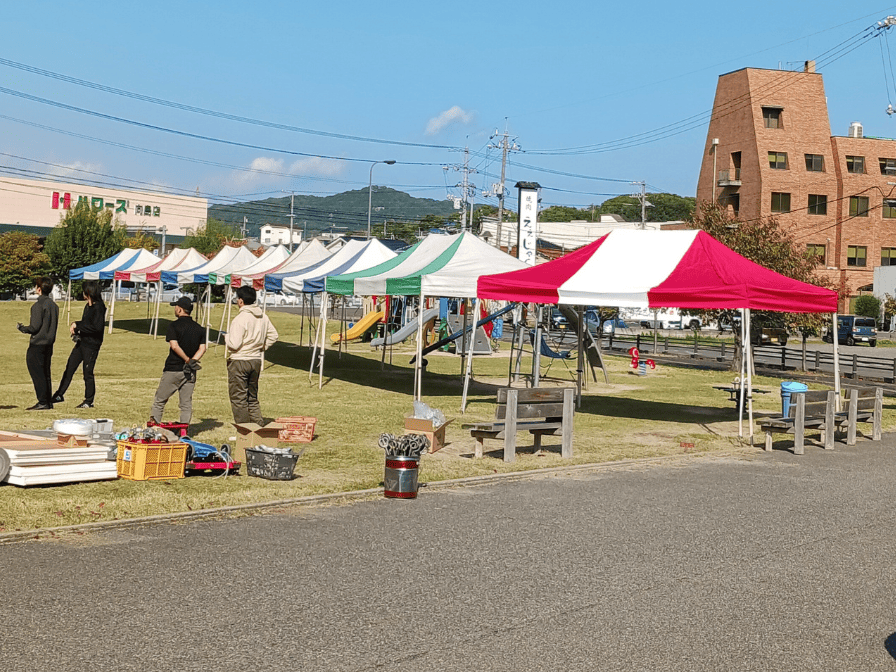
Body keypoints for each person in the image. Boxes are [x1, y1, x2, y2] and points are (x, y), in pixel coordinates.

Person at [149, 296, 206, 425]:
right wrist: (193, 361)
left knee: (160, 400)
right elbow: (203, 348)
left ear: (180, 309)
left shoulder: (174, 326)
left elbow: (174, 346)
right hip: (190, 371)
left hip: (173, 368)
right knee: (186, 403)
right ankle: (184, 430)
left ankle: (155, 428)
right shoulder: (199, 328)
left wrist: (186, 359)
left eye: (176, 307)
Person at [225, 286, 278, 424]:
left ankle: (245, 431)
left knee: (239, 398)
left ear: (241, 301)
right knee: (252, 397)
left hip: (240, 360)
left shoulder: (240, 319)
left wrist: (226, 337)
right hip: (255, 360)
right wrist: (261, 348)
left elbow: (234, 344)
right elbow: (273, 335)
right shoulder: (263, 317)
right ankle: (258, 426)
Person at [52, 280, 106, 408]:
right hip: (82, 343)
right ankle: (59, 394)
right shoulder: (88, 307)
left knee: (87, 372)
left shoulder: (99, 307)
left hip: (92, 345)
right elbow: (86, 324)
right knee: (69, 368)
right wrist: (77, 329)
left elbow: (96, 328)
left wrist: (78, 325)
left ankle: (88, 400)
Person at [17, 277, 59, 410]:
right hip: (49, 343)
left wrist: (23, 328)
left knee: (37, 372)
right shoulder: (54, 305)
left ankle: (42, 401)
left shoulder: (38, 305)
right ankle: (47, 400)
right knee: (46, 372)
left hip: (38, 344)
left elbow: (34, 327)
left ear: (39, 289)